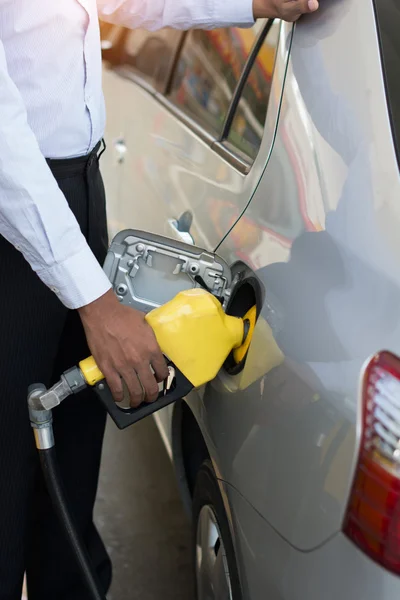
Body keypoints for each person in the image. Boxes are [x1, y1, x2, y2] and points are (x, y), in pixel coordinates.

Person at [0, 0, 319, 598]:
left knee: (66, 482)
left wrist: (252, 3)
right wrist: (95, 303)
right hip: (15, 218)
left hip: (73, 197)